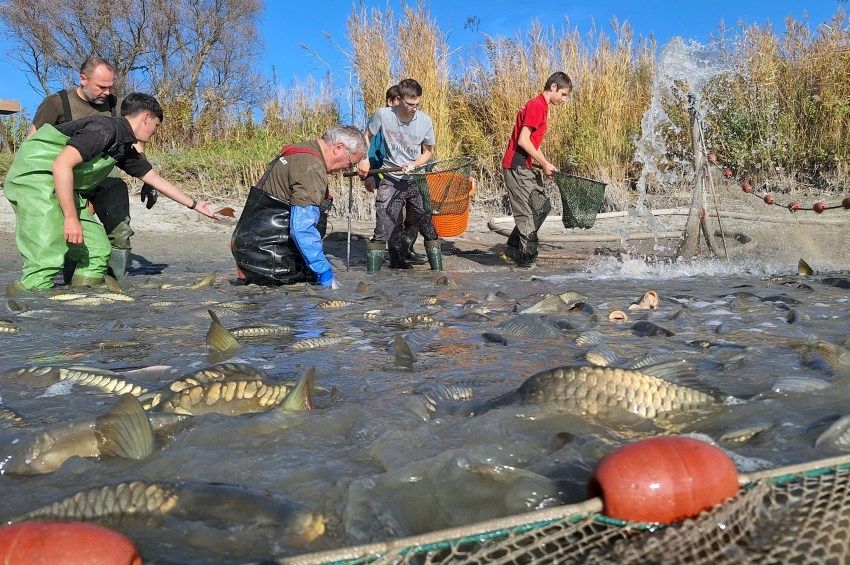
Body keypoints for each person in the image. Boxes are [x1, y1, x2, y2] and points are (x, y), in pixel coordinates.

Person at [4, 93, 219, 292]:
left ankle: (76, 308)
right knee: (45, 256)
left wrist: (195, 204)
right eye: (156, 125)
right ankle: (29, 314)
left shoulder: (123, 145)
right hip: (35, 181)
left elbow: (153, 178)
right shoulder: (105, 129)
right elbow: (61, 165)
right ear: (146, 117)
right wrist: (71, 218)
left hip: (65, 188)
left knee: (97, 250)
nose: (155, 131)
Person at [28, 57, 150, 279]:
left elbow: (135, 141)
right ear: (83, 79)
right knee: (74, 231)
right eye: (101, 86)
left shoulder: (115, 104)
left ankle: (115, 286)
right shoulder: (56, 104)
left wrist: (148, 182)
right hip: (68, 177)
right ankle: (72, 282)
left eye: (110, 86)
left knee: (121, 230)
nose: (106, 92)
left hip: (105, 176)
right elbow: (32, 143)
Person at [231, 125, 367, 288]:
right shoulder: (311, 168)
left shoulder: (300, 151)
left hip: (250, 246)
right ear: (338, 148)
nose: (347, 169)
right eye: (351, 163)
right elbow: (302, 229)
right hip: (269, 257)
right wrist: (324, 272)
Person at [357, 78, 442, 272]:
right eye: (410, 104)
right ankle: (373, 277)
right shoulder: (383, 115)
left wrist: (414, 164)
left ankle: (439, 272)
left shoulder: (425, 120)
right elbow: (366, 138)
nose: (414, 108)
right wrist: (364, 159)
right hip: (390, 179)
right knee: (383, 224)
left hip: (414, 179)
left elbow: (428, 152)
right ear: (400, 99)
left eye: (417, 104)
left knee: (426, 223)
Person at [501, 72, 573, 268]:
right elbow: (523, 141)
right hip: (516, 167)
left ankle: (513, 247)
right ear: (553, 88)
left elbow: (532, 142)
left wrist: (545, 163)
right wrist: (543, 162)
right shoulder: (537, 105)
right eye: (564, 94)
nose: (564, 100)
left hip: (525, 166)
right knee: (526, 214)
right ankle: (526, 259)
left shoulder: (541, 106)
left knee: (542, 207)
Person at [363, 84, 425, 266]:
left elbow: (421, 149)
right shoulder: (381, 121)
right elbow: (371, 151)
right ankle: (395, 256)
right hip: (386, 174)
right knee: (394, 215)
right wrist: (370, 176)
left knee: (415, 215)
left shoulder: (415, 122)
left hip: (412, 175)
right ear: (392, 102)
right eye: (399, 102)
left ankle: (407, 249)